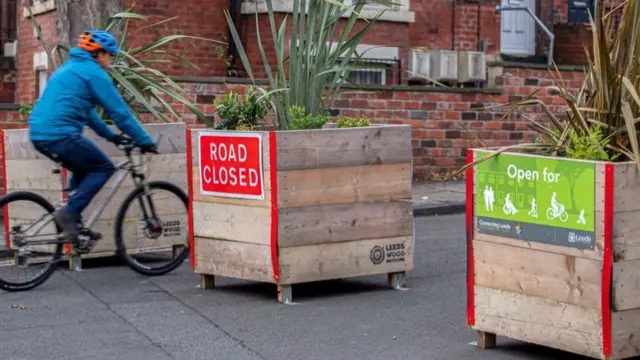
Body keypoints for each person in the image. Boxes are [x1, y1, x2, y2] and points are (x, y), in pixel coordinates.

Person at [28, 30, 158, 249]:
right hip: (61, 135)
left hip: (39, 134)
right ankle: (69, 213)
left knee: (84, 166)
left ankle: (74, 223)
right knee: (103, 167)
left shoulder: (70, 70)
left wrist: (114, 137)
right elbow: (120, 113)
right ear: (97, 54)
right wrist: (144, 140)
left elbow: (90, 116)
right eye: (109, 55)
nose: (110, 59)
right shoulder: (93, 73)